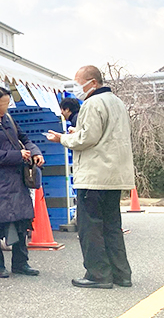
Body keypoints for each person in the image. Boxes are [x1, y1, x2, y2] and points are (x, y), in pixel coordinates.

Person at [47, 65, 134, 289]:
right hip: (115, 173)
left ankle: (98, 274)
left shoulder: (93, 103)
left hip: (95, 174)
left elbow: (88, 138)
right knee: (112, 225)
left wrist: (63, 139)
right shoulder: (117, 102)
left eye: (78, 83)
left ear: (92, 82)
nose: (76, 88)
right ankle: (121, 273)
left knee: (91, 227)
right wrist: (80, 133)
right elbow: (103, 134)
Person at [0, 86, 45, 278]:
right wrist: (16, 155)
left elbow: (24, 138)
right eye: (3, 103)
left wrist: (35, 152)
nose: (6, 106)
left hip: (16, 179)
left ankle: (21, 263)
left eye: (7, 102)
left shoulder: (8, 119)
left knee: (21, 221)